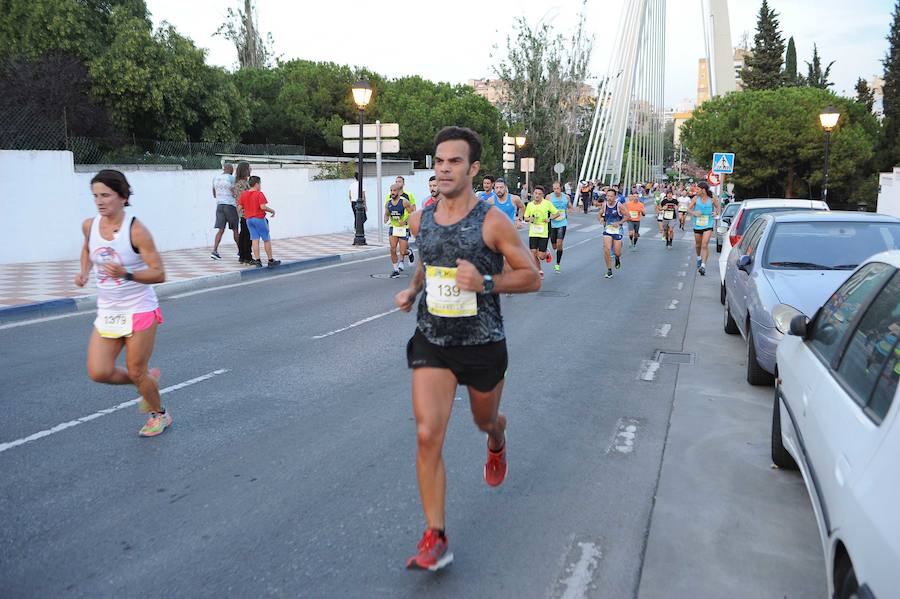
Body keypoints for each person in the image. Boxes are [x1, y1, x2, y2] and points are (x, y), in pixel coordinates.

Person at [394, 127, 540, 572]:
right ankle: (435, 536)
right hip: (433, 341)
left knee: (482, 420)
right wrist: (413, 290)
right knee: (426, 434)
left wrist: (486, 282)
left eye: (454, 161)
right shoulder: (422, 219)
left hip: (482, 344)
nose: (444, 168)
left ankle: (498, 436)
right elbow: (428, 259)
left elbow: (532, 276)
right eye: (439, 160)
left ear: (473, 168)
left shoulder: (492, 221)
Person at [75, 170, 170, 437]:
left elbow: (159, 273)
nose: (99, 201)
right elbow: (86, 248)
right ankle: (146, 380)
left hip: (139, 310)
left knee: (136, 370)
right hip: (108, 311)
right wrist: (84, 272)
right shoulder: (89, 225)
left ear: (123, 197)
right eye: (95, 196)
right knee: (99, 371)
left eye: (106, 195)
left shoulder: (136, 231)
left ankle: (159, 414)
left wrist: (126, 274)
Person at [238, 176, 282, 268]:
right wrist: (272, 211)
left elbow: (239, 207)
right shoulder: (259, 194)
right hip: (259, 219)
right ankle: (270, 260)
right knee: (266, 239)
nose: (260, 186)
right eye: (260, 184)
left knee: (254, 240)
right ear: (257, 184)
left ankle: (258, 261)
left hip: (248, 219)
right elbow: (263, 207)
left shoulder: (244, 194)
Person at [524, 185, 563, 278]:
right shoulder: (530, 205)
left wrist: (549, 218)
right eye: (535, 193)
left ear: (542, 195)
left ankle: (546, 253)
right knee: (533, 253)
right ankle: (539, 270)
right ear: (533, 194)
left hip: (543, 233)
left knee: (541, 256)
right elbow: (525, 218)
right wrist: (530, 219)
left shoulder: (547, 204)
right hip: (533, 232)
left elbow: (557, 213)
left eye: (539, 194)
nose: (537, 195)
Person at [690, 181, 719, 276]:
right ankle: (699, 258)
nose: (696, 191)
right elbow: (688, 209)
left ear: (703, 190)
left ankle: (703, 266)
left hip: (708, 224)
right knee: (698, 245)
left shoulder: (712, 199)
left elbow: (718, 207)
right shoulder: (695, 198)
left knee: (704, 244)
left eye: (698, 189)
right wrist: (694, 213)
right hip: (697, 224)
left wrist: (715, 213)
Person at [384, 183, 414, 277]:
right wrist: (386, 218)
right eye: (391, 190)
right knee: (392, 249)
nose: (392, 192)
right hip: (394, 227)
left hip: (403, 228)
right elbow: (387, 213)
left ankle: (409, 252)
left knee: (402, 251)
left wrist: (405, 222)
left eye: (394, 191)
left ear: (398, 192)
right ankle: (395, 270)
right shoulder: (388, 203)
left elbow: (412, 213)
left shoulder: (404, 202)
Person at [210, 163, 239, 261]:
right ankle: (240, 251)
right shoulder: (232, 178)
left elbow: (214, 194)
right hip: (230, 206)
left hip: (219, 206)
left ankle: (214, 251)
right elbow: (234, 192)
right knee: (235, 229)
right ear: (230, 169)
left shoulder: (215, 178)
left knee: (221, 230)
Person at [600, 188, 627, 278]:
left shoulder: (619, 205)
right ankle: (609, 270)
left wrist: (619, 223)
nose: (609, 198)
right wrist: (601, 220)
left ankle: (617, 257)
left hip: (617, 230)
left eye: (611, 196)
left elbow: (628, 216)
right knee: (606, 249)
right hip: (607, 229)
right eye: (607, 196)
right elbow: (599, 214)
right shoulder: (604, 205)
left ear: (615, 197)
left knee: (617, 252)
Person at [547, 181, 572, 272]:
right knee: (554, 245)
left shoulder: (566, 197)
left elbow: (570, 207)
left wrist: (570, 209)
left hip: (562, 222)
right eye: (554, 189)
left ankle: (557, 264)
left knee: (559, 243)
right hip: (552, 223)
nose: (556, 190)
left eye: (557, 188)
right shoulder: (549, 197)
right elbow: (545, 208)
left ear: (561, 188)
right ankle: (550, 252)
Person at [233, 162, 254, 265]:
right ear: (245, 170)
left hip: (244, 212)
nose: (251, 170)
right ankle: (247, 257)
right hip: (246, 212)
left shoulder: (241, 183)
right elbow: (244, 199)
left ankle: (243, 256)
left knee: (244, 234)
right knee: (247, 235)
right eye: (249, 168)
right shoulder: (242, 184)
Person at [395, 175, 416, 266]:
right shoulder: (392, 195)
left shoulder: (408, 195)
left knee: (402, 246)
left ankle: (401, 262)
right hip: (395, 225)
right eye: (396, 181)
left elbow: (414, 209)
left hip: (405, 225)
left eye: (399, 181)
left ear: (403, 184)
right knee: (401, 246)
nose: (397, 183)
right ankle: (409, 252)